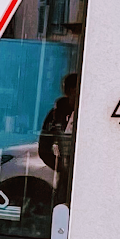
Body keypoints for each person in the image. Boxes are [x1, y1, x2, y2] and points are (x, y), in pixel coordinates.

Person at [37, 72, 79, 204]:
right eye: (73, 91)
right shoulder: (56, 115)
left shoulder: (87, 113)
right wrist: (61, 166)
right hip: (65, 177)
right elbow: (44, 148)